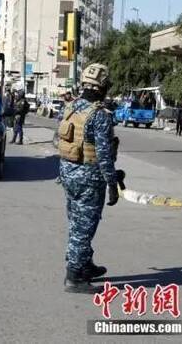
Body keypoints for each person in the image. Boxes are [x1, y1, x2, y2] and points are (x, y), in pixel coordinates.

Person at [58, 63, 119, 293]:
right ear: (102, 87)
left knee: (76, 221)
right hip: (89, 179)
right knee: (84, 227)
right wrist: (112, 184)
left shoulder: (71, 107)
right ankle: (75, 277)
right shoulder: (100, 115)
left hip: (68, 173)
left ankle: (85, 264)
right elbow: (104, 156)